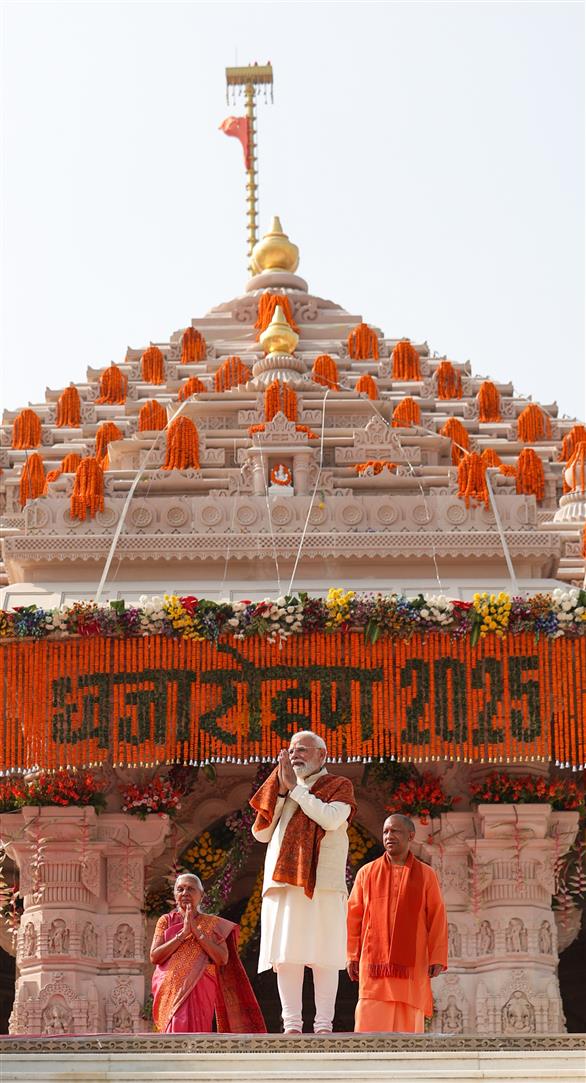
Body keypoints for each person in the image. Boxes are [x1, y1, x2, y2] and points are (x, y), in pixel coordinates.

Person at [250, 730, 356, 1034]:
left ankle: (324, 1026)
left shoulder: (338, 785)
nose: (295, 756)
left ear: (322, 755)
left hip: (323, 882)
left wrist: (296, 790)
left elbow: (332, 820)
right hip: (284, 882)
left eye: (303, 750)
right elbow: (261, 833)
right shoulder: (283, 785)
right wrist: (282, 793)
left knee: (325, 955)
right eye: (292, 751)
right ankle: (292, 1025)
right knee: (287, 955)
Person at [347, 813, 448, 1033]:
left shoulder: (426, 875)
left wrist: (437, 956)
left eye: (395, 831)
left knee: (408, 1023)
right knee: (370, 1020)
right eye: (385, 832)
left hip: (412, 965)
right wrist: (352, 954)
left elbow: (437, 917)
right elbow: (353, 917)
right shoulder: (367, 873)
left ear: (410, 835)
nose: (388, 836)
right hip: (374, 963)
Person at [150, 872, 266, 1034]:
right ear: (175, 895)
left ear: (201, 895)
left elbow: (222, 958)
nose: (185, 893)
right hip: (170, 986)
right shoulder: (166, 920)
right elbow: (155, 956)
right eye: (180, 889)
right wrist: (183, 934)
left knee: (198, 1031)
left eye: (190, 889)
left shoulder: (213, 924)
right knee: (173, 1028)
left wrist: (197, 932)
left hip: (201, 985)